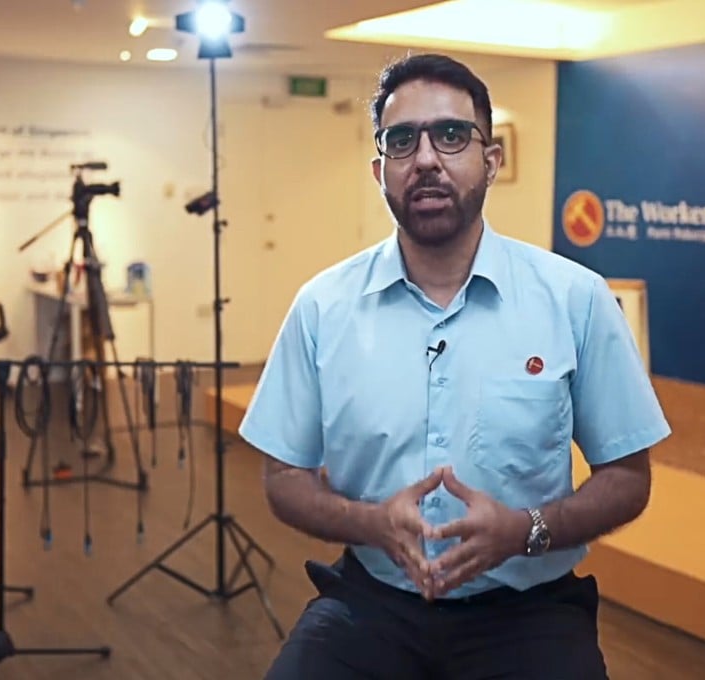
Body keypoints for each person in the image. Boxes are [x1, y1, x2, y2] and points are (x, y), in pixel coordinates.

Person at [238, 52, 671, 679]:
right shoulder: (323, 308)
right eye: (401, 140)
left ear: (490, 161)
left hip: (529, 610)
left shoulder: (573, 298)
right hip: (371, 605)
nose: (426, 160)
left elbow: (628, 476)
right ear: (379, 168)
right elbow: (283, 477)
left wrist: (525, 530)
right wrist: (371, 524)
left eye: (451, 135)